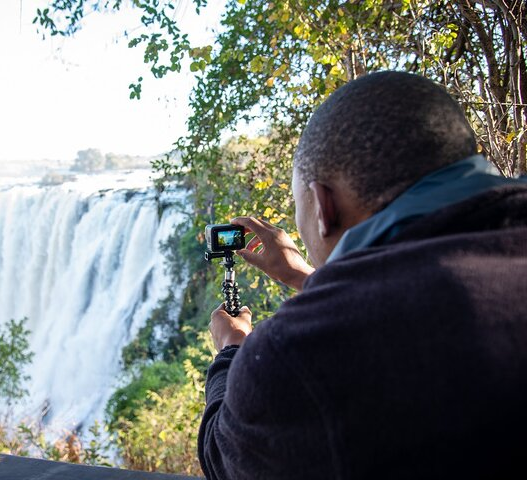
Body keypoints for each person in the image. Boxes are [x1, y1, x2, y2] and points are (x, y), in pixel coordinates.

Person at [198, 71, 527, 479]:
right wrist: (306, 278)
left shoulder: (299, 353)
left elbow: (224, 459)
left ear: (323, 205)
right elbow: (419, 278)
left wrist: (231, 350)